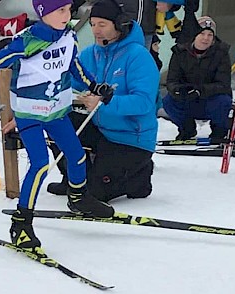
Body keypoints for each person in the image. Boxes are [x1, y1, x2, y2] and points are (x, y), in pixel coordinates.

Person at [0, 0, 115, 252]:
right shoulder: (27, 42)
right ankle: (21, 224)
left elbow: (74, 66)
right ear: (44, 13)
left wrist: (95, 86)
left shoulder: (68, 35)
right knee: (40, 165)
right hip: (30, 114)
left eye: (69, 9)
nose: (68, 14)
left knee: (76, 156)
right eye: (61, 10)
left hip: (57, 112)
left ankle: (78, 198)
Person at [47, 0, 160, 203]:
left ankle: (139, 175)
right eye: (92, 24)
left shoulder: (138, 56)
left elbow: (144, 102)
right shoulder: (90, 53)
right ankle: (73, 178)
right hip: (101, 130)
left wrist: (105, 102)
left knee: (95, 194)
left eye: (102, 24)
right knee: (57, 122)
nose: (95, 30)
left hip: (130, 138)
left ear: (119, 25)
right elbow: (69, 82)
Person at [162, 16, 232, 140]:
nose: (205, 38)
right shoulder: (180, 52)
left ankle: (219, 131)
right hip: (187, 98)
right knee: (168, 100)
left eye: (210, 35)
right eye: (202, 33)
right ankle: (186, 129)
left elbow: (223, 84)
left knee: (224, 101)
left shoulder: (221, 53)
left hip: (210, 99)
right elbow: (172, 80)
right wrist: (179, 90)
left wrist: (200, 90)